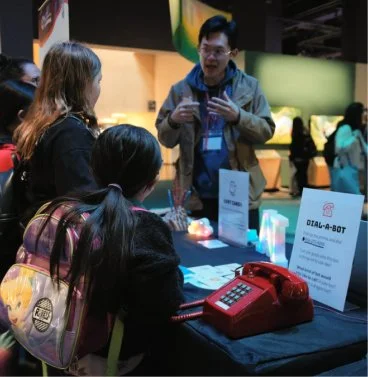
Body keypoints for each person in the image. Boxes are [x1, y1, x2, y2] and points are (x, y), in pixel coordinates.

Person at [17, 124, 184, 375]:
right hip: (111, 358)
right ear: (153, 180)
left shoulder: (62, 210)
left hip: (53, 342)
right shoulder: (146, 226)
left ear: (93, 169)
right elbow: (164, 303)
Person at [156, 15, 275, 231]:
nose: (210, 57)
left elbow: (266, 131)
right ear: (198, 49)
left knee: (244, 257)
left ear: (233, 53)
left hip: (240, 194)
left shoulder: (249, 87)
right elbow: (164, 139)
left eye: (218, 51)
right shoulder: (180, 90)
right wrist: (173, 120)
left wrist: (239, 116)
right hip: (194, 194)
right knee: (199, 257)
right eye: (205, 49)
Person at [14, 41, 102, 225]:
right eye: (98, 81)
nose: (99, 89)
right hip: (62, 243)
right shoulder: (70, 132)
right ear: (83, 84)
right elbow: (83, 205)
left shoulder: (39, 126)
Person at [331, 102, 368, 194]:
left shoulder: (357, 131)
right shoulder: (345, 129)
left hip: (354, 171)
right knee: (353, 199)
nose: (365, 115)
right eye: (362, 112)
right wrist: (353, 138)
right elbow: (339, 148)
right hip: (346, 169)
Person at [289, 117, 317, 197]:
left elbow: (293, 147)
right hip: (305, 158)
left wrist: (292, 158)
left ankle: (299, 191)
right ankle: (303, 192)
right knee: (303, 175)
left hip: (296, 159)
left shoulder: (294, 133)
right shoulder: (306, 133)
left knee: (298, 176)